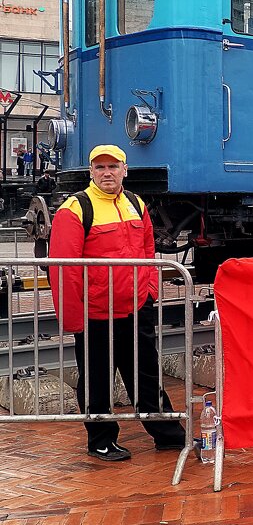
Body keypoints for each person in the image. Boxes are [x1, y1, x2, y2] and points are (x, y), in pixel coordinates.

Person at [48, 144, 187, 462]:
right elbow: (63, 268)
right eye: (100, 167)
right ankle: (100, 440)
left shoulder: (136, 204)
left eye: (113, 166)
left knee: (147, 375)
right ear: (91, 172)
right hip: (95, 314)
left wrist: (150, 291)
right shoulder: (75, 208)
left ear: (125, 169)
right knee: (97, 380)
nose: (107, 172)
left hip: (136, 309)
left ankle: (167, 434)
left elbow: (147, 252)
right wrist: (73, 319)